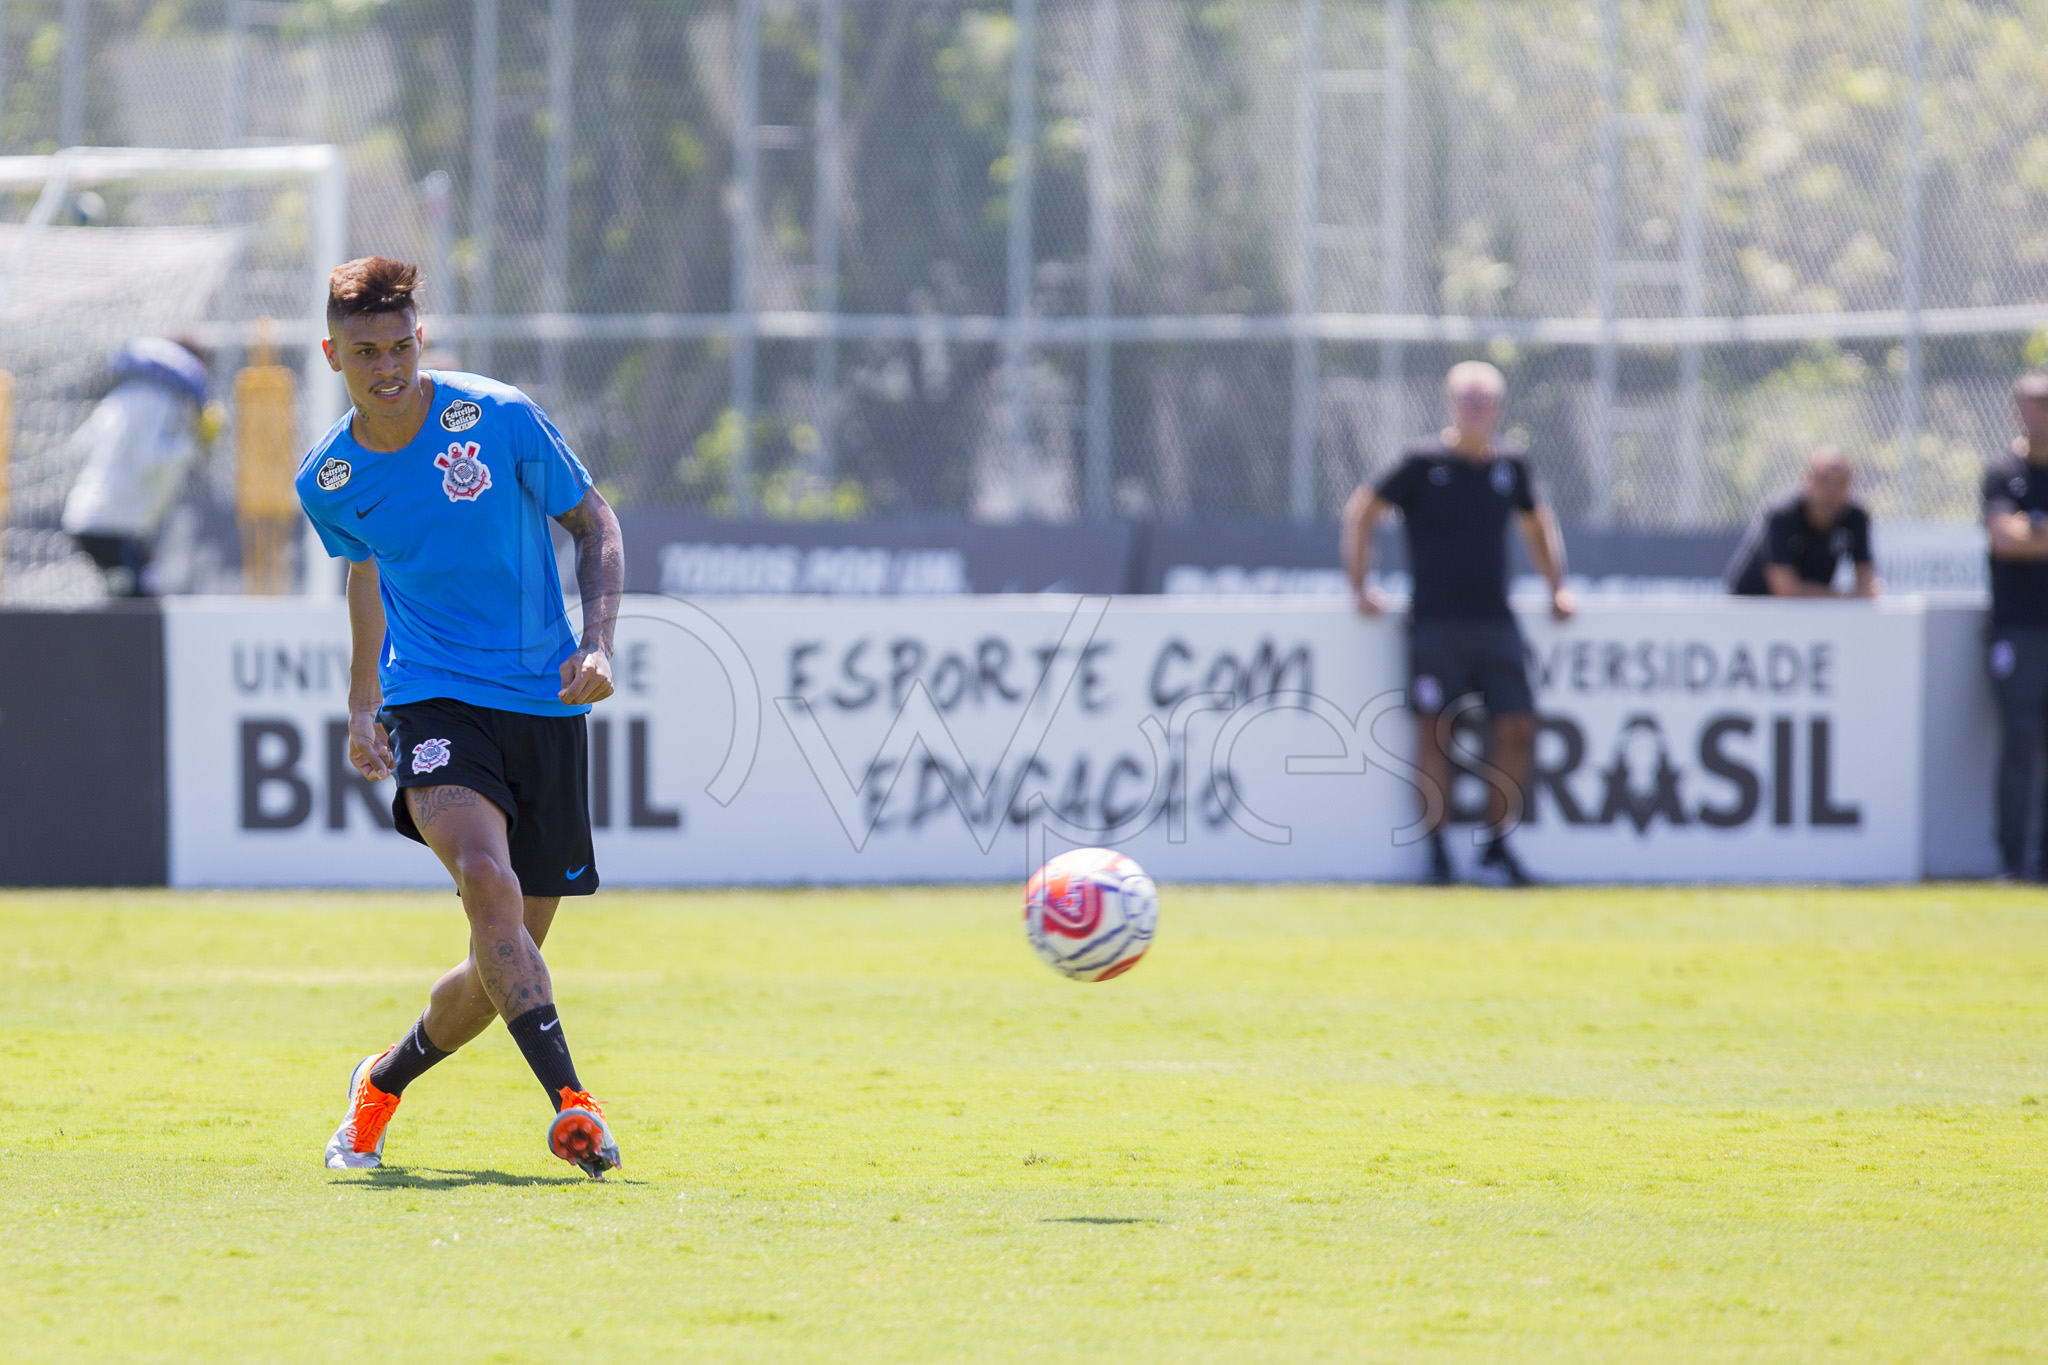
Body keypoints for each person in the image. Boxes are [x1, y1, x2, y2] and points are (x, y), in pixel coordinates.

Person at [298, 257, 627, 1176]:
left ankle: (381, 1081)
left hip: (542, 701)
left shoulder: (500, 415)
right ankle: (574, 1105)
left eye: (400, 346)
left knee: (502, 957)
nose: (387, 366)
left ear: (421, 340)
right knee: (486, 878)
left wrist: (598, 644)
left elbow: (595, 521)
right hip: (432, 696)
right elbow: (366, 569)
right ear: (332, 355)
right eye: (366, 351)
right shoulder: (327, 478)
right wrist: (363, 701)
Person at [1341, 360, 1573, 886]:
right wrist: (1359, 583)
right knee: (1434, 730)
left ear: (1498, 408)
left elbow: (1538, 524)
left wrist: (1556, 586)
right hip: (1435, 623)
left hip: (1496, 621)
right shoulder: (1421, 463)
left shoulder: (1510, 467)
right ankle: (1437, 853)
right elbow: (1362, 511)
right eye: (1467, 399)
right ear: (1452, 404)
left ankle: (1496, 843)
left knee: (1517, 726)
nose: (1475, 408)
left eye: (1483, 399)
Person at [60, 336, 221, 596]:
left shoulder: (123, 395)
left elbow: (80, 445)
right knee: (135, 602)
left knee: (136, 595)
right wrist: (194, 444)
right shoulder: (166, 401)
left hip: (92, 519)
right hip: (114, 525)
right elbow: (150, 457)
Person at [1982, 370, 2048, 880]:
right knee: (2021, 738)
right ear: (2016, 411)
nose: (2040, 413)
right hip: (2020, 628)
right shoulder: (2003, 472)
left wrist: (2034, 530)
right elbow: (2005, 541)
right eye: (2033, 403)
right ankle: (2013, 862)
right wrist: (2024, 534)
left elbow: (2022, 536)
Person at [1726, 446, 1879, 598]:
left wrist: (1863, 591)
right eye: (1824, 481)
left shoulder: (1855, 517)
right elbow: (1785, 590)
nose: (1831, 490)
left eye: (1839, 483)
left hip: (1812, 606)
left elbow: (1867, 581)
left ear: (1851, 483)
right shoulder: (1782, 515)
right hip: (1753, 603)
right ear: (1807, 479)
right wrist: (1846, 597)